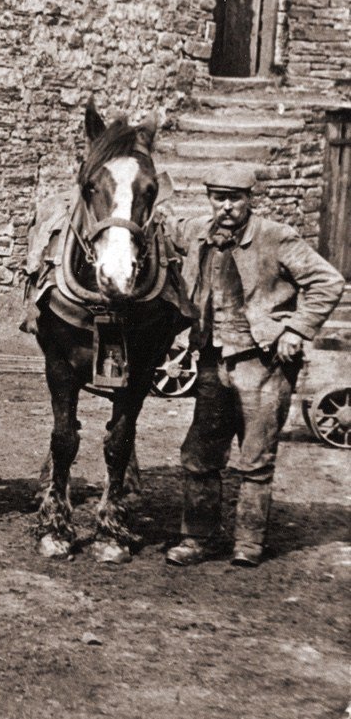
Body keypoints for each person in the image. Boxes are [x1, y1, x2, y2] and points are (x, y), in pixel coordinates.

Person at [166, 164, 344, 567]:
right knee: (200, 455)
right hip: (212, 361)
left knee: (256, 459)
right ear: (209, 199)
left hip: (262, 364)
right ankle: (197, 539)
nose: (226, 207)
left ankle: (248, 544)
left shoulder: (276, 238)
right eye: (219, 198)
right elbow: (160, 227)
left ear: (250, 200)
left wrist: (296, 329)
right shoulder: (197, 232)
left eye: (235, 199)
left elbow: (328, 281)